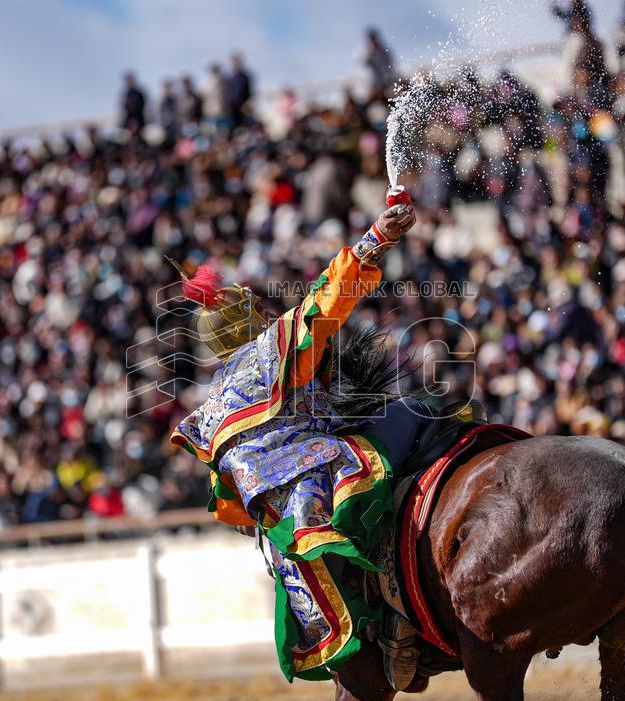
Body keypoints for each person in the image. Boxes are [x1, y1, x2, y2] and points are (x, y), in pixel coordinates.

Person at [169, 194, 463, 688]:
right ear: (246, 321)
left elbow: (229, 501)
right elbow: (327, 300)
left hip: (288, 545)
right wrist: (378, 238)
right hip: (330, 476)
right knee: (420, 417)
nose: (264, 311)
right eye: (255, 308)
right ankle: (403, 603)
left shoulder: (211, 404)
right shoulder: (272, 347)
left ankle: (386, 621)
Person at [224, 53, 252, 129]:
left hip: (241, 108)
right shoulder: (230, 77)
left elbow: (248, 92)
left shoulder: (245, 77)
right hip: (231, 108)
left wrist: (244, 103)